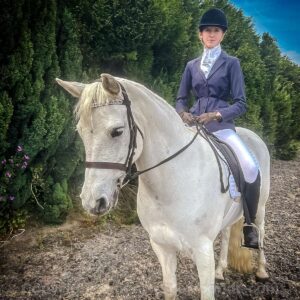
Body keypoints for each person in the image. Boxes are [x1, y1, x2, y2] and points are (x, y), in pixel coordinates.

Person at [176, 8, 260, 249]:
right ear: (200, 35)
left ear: (222, 35)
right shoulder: (191, 65)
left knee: (250, 167)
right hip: (193, 128)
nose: (211, 34)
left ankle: (249, 224)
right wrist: (183, 113)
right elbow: (181, 98)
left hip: (221, 127)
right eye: (207, 31)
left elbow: (241, 103)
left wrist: (217, 113)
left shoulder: (232, 63)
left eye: (216, 31)